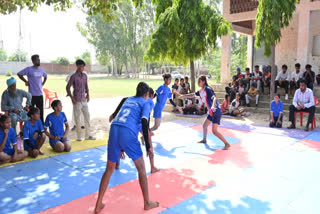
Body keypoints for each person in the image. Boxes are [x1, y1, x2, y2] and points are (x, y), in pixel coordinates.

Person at [94, 82, 159, 213]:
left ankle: (98, 204)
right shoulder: (146, 102)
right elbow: (144, 121)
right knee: (141, 168)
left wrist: (121, 146)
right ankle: (147, 202)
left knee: (109, 168)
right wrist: (148, 146)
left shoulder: (128, 99)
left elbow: (123, 114)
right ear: (147, 94)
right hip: (127, 133)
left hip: (114, 129)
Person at [109, 88, 159, 173]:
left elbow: (124, 100)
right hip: (137, 123)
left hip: (129, 122)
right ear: (149, 95)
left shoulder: (133, 98)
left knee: (121, 138)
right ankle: (152, 167)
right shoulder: (149, 101)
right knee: (148, 141)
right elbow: (146, 118)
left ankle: (117, 163)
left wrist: (114, 113)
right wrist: (147, 131)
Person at [182, 76, 230, 149]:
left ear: (204, 81)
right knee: (205, 125)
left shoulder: (207, 89)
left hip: (215, 111)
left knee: (214, 131)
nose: (198, 83)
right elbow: (193, 95)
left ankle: (227, 144)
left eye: (200, 81)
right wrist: (183, 96)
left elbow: (214, 97)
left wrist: (213, 106)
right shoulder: (201, 91)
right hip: (211, 112)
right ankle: (204, 139)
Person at [66, 59, 96, 141]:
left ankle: (88, 135)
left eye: (83, 66)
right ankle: (79, 136)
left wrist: (88, 95)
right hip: (77, 100)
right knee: (77, 118)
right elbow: (67, 87)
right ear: (78, 66)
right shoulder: (73, 76)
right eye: (81, 66)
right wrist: (72, 98)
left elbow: (86, 86)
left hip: (84, 99)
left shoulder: (84, 76)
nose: (82, 68)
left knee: (87, 116)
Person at [17, 54, 47, 123]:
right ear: (33, 61)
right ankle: (30, 125)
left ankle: (41, 125)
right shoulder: (29, 69)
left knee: (40, 111)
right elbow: (19, 74)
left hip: (39, 94)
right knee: (31, 112)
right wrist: (26, 81)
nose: (38, 61)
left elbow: (45, 76)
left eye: (39, 59)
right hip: (31, 95)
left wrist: (42, 84)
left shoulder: (41, 70)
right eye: (37, 60)